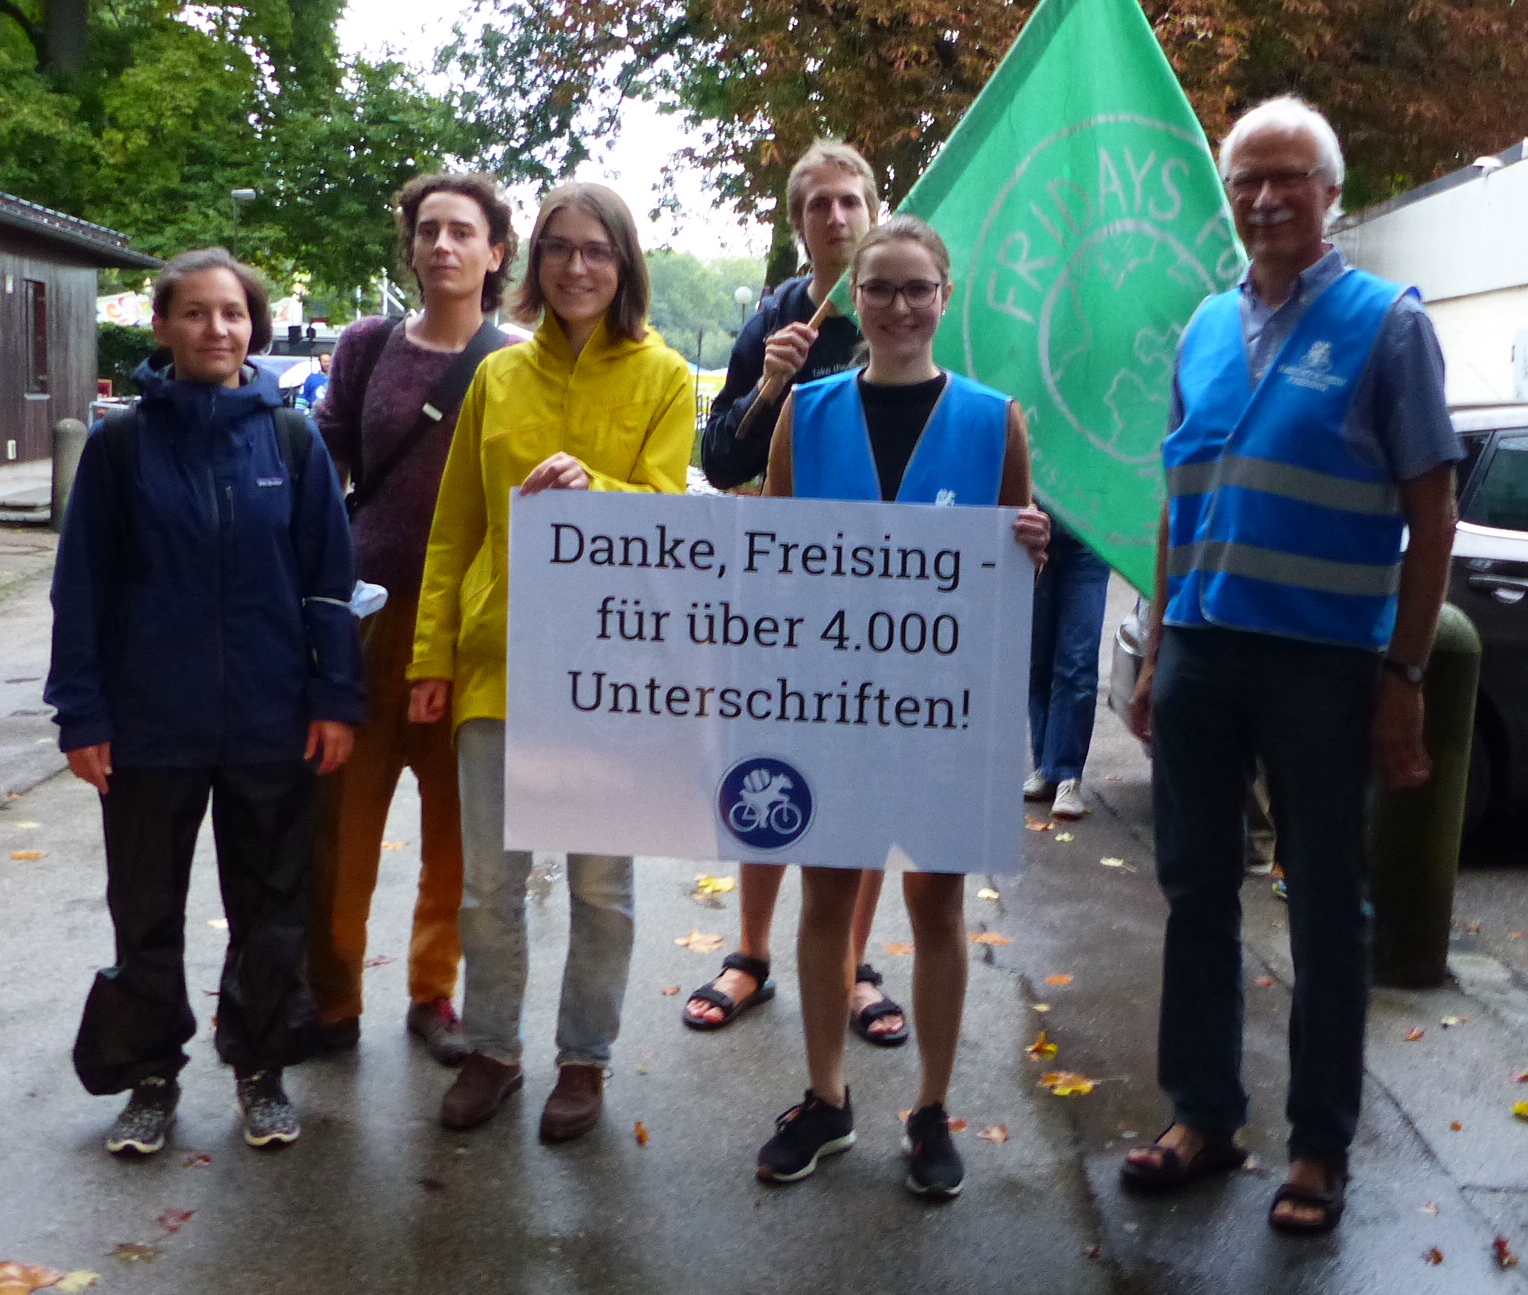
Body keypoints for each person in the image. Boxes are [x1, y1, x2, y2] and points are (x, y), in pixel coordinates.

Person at [1121, 96, 1457, 1238]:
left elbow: (1433, 509)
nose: (1262, 200)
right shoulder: (1205, 327)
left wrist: (1403, 675)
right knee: (1193, 892)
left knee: (1324, 907)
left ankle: (1319, 1146)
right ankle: (1202, 1113)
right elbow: (1179, 496)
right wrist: (1159, 640)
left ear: (1330, 192)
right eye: (1245, 181)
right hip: (1205, 650)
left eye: (1286, 179)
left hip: (1323, 660)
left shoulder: (1387, 326)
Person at [751, 215, 1050, 1199]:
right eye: (878, 288)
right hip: (832, 701)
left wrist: (1032, 545)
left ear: (944, 296)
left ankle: (927, 1107)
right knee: (827, 896)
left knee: (935, 901)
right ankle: (827, 1097)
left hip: (946, 708)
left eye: (916, 287)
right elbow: (778, 555)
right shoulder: (808, 412)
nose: (897, 305)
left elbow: (1015, 561)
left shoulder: (992, 418)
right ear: (854, 298)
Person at [45, 248, 365, 1158]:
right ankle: (149, 1078)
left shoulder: (291, 443)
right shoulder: (120, 449)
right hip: (151, 728)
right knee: (145, 912)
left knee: (271, 908)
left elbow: (329, 586)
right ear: (163, 328)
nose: (216, 330)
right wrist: (83, 715)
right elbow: (84, 591)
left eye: (232, 314)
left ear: (253, 328)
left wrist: (335, 699)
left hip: (272, 722)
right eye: (195, 313)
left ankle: (260, 1070)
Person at [408, 183, 695, 1142]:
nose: (578, 268)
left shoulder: (665, 378)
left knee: (600, 889)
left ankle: (585, 1061)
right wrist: (430, 657)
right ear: (534, 265)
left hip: (613, 675)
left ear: (625, 266)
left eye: (598, 251)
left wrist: (595, 484)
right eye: (561, 250)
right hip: (499, 661)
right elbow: (454, 530)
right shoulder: (496, 376)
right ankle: (493, 1049)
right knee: (490, 886)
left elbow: (667, 516)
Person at [307, 173, 519, 1067]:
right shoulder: (366, 348)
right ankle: (330, 996)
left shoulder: (515, 363)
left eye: (461, 232)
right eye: (428, 231)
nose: (442, 246)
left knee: (455, 831)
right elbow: (324, 472)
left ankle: (434, 993)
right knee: (339, 819)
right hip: (368, 617)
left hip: (469, 628)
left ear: (495, 252)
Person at [688, 140, 895, 1043]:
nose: (838, 218)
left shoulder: (903, 300)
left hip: (886, 591)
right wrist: (771, 380)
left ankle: (854, 962)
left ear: (875, 210)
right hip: (779, 588)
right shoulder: (774, 314)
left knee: (867, 779)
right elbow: (722, 457)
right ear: (798, 220)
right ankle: (752, 954)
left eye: (852, 201)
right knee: (766, 764)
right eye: (819, 205)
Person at [1022, 513, 1108, 821]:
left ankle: (1068, 772)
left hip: (1091, 531)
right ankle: (1047, 767)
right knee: (1037, 659)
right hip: (1035, 523)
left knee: (1078, 660)